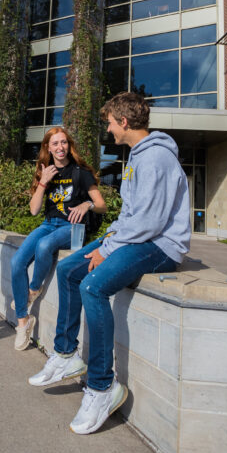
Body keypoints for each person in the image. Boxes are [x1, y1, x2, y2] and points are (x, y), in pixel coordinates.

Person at [27, 92, 190, 435]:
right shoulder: (136, 156)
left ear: (125, 122)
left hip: (160, 245)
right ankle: (67, 353)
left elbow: (150, 221)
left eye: (111, 124)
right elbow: (132, 215)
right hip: (136, 236)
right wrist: (111, 238)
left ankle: (102, 387)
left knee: (92, 285)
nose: (109, 130)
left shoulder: (156, 158)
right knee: (70, 269)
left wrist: (108, 248)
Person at [11, 127, 106, 351]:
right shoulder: (45, 171)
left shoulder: (81, 173)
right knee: (16, 263)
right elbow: (34, 211)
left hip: (72, 227)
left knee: (44, 246)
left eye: (63, 142)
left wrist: (87, 204)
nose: (60, 147)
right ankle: (23, 323)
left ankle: (33, 290)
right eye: (55, 144)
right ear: (48, 147)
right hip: (48, 224)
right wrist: (43, 181)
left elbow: (102, 206)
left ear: (69, 145)